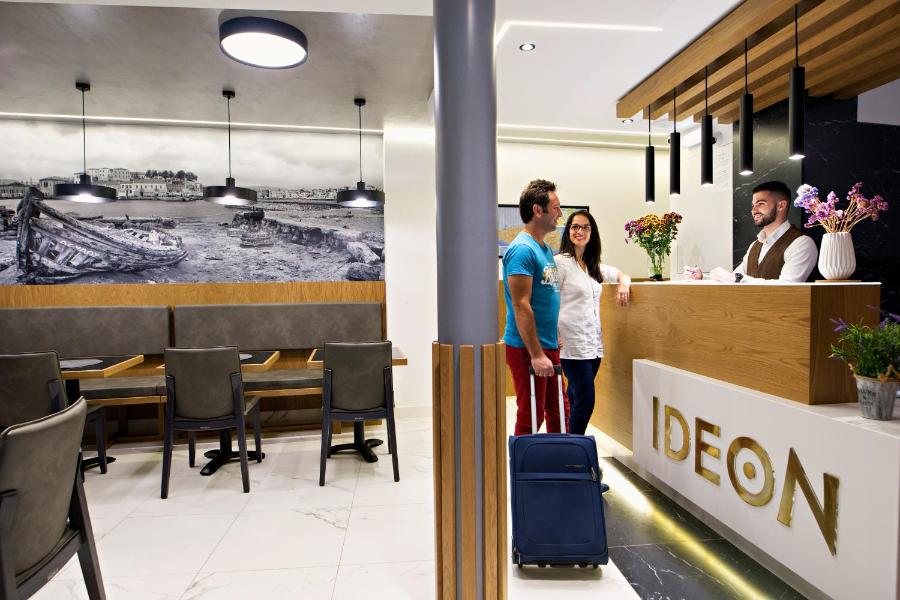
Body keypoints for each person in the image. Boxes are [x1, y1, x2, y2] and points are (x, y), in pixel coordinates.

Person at [555, 210, 630, 435]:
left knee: (575, 397)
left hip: (594, 346)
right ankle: (573, 449)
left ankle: (568, 442)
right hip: (571, 344)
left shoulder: (593, 265)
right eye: (575, 227)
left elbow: (621, 274)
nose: (580, 231)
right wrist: (551, 332)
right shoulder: (559, 263)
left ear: (592, 232)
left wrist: (624, 284)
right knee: (585, 401)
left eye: (585, 227)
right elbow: (548, 299)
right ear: (568, 231)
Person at [502, 179, 567, 436]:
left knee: (560, 412)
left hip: (547, 344)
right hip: (527, 348)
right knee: (532, 416)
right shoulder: (522, 249)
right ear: (538, 210)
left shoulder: (544, 248)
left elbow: (546, 296)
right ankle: (522, 462)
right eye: (556, 207)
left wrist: (553, 334)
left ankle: (559, 460)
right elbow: (521, 305)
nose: (560, 214)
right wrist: (537, 354)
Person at [687, 181, 817, 282]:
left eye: (760, 203)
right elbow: (733, 278)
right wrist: (703, 277)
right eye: (753, 205)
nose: (754, 210)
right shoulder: (754, 246)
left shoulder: (802, 243)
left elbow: (787, 287)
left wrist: (736, 279)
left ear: (781, 205)